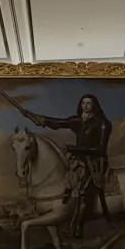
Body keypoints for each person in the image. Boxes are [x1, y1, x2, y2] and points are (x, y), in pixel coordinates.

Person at [13, 93, 112, 236]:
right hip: (78, 160)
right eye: (83, 103)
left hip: (95, 162)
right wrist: (31, 115)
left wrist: (72, 148)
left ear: (94, 105)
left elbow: (100, 149)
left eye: (88, 103)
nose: (85, 106)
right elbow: (58, 123)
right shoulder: (78, 121)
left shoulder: (103, 124)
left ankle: (77, 228)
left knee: (83, 191)